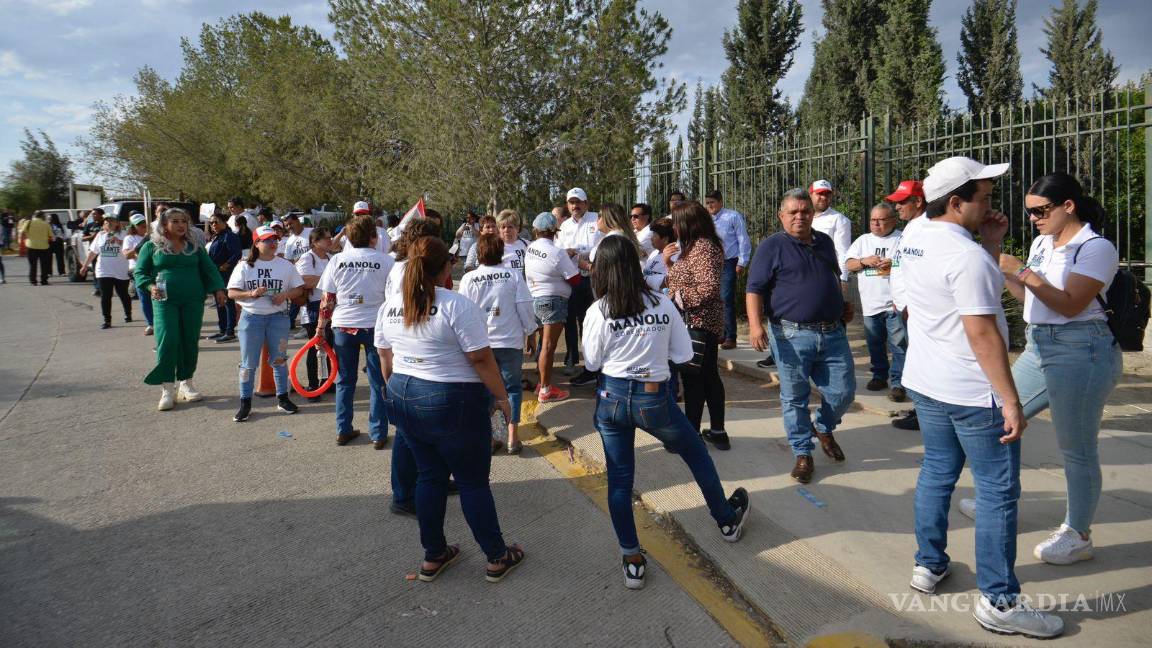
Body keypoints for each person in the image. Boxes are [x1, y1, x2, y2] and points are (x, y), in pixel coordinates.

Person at [901, 156, 1063, 638]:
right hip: (972, 392)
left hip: (928, 382)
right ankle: (999, 601)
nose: (992, 205)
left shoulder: (914, 237)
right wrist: (1011, 399)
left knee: (936, 472)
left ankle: (928, 565)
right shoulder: (965, 257)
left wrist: (990, 242)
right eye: (985, 198)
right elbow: (983, 335)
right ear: (956, 203)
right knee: (997, 494)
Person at [957, 173, 1121, 568]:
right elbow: (1027, 297)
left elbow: (1069, 304)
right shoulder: (1042, 242)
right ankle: (1000, 500)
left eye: (1040, 210)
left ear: (1068, 206)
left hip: (1083, 350)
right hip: (1040, 344)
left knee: (1076, 448)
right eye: (1029, 211)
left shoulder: (1095, 247)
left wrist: (1023, 270)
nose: (1033, 218)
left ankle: (1077, 534)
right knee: (1002, 420)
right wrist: (1005, 263)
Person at [582, 235, 750, 589]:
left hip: (611, 399)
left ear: (603, 269)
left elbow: (593, 362)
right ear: (634, 263)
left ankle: (632, 559)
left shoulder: (598, 310)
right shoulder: (661, 304)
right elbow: (684, 355)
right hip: (653, 399)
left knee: (620, 480)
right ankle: (726, 520)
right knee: (696, 453)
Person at [374, 236, 525, 584]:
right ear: (446, 268)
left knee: (429, 477)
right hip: (451, 401)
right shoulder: (456, 305)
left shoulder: (392, 305)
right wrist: (501, 398)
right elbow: (481, 358)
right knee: (473, 482)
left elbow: (386, 358)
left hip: (403, 394)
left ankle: (434, 554)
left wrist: (400, 395)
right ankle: (497, 556)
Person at [745, 189, 856, 484]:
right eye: (793, 212)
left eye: (805, 211)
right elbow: (754, 289)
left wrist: (841, 304)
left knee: (843, 392)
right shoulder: (772, 247)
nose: (799, 216)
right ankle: (803, 452)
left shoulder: (825, 242)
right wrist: (756, 326)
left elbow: (832, 276)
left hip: (833, 332)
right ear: (782, 216)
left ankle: (821, 426)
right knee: (794, 397)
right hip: (790, 334)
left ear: (812, 214)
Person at [133, 208, 228, 411]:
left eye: (184, 221)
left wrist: (219, 289)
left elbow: (209, 269)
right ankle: (167, 388)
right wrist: (150, 286)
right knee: (167, 340)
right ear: (164, 224)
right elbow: (139, 273)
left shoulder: (194, 247)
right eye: (175, 221)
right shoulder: (151, 246)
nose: (180, 225)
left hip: (193, 300)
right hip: (164, 301)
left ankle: (186, 383)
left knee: (189, 340)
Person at [315, 214, 395, 448]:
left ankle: (343, 429)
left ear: (348, 237)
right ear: (374, 237)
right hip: (375, 327)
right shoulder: (386, 261)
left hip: (343, 325)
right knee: (378, 381)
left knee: (345, 381)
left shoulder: (337, 260)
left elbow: (327, 299)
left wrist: (320, 329)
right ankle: (378, 433)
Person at [459, 234, 538, 453]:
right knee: (511, 388)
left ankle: (493, 436)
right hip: (509, 341)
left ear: (479, 253)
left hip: (480, 343)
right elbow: (524, 306)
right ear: (500, 252)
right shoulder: (513, 275)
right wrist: (530, 332)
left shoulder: (469, 279)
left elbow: (462, 313)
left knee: (486, 389)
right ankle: (512, 434)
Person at [665, 201, 730, 450]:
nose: (674, 227)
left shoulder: (702, 247)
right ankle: (717, 432)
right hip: (699, 322)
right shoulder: (697, 247)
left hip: (698, 323)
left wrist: (676, 297)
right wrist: (669, 265)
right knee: (708, 378)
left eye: (676, 222)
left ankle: (690, 436)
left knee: (695, 380)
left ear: (688, 223)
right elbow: (688, 279)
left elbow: (708, 288)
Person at [227, 225, 305, 421]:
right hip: (251, 317)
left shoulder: (285, 265)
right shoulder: (245, 265)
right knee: (248, 364)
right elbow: (231, 292)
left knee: (279, 359)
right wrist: (250, 294)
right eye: (267, 240)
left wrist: (285, 295)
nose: (273, 243)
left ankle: (283, 399)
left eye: (275, 239)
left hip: (278, 318)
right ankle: (245, 403)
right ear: (256, 243)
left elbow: (299, 289)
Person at [845, 203, 906, 401]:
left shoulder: (902, 238)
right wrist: (864, 261)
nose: (876, 223)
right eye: (873, 220)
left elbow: (915, 264)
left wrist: (894, 264)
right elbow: (849, 264)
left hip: (895, 304)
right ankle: (879, 376)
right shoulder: (863, 241)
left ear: (893, 221)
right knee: (875, 344)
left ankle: (898, 384)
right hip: (871, 305)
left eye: (881, 219)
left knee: (899, 344)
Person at [886, 179, 928, 431]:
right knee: (914, 360)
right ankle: (921, 410)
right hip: (904, 307)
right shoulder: (912, 227)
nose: (897, 207)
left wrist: (911, 302)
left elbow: (923, 271)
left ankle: (925, 414)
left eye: (902, 202)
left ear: (918, 201)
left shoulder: (925, 228)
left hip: (915, 310)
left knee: (921, 363)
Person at [524, 211, 579, 403]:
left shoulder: (530, 248)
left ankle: (542, 383)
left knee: (542, 345)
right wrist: (571, 258)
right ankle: (546, 389)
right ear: (554, 231)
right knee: (548, 346)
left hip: (534, 299)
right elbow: (574, 278)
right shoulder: (557, 252)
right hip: (553, 301)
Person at [558, 187, 602, 383]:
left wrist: (577, 251)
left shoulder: (596, 219)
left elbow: (600, 246)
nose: (575, 206)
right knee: (569, 320)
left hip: (592, 277)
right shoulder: (565, 225)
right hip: (571, 277)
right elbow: (559, 250)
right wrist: (571, 252)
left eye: (578, 202)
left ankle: (591, 362)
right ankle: (571, 358)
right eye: (571, 202)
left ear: (586, 203)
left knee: (590, 321)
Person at [702, 190, 751, 350]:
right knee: (714, 299)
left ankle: (731, 336)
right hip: (711, 263)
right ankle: (720, 333)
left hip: (729, 262)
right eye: (707, 203)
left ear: (720, 202)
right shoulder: (706, 220)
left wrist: (742, 262)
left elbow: (743, 238)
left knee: (725, 299)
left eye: (712, 202)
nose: (710, 206)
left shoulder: (733, 216)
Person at [295, 227, 335, 401]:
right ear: (315, 242)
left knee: (329, 346)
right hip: (313, 307)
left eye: (330, 237)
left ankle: (327, 381)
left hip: (331, 306)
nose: (330, 240)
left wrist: (320, 280)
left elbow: (313, 280)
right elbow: (304, 281)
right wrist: (328, 280)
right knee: (315, 346)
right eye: (326, 238)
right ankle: (313, 383)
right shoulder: (307, 258)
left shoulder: (331, 258)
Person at [79, 214, 133, 329]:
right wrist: (84, 266)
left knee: (122, 294)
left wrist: (119, 241)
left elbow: (131, 249)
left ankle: (128, 313)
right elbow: (93, 252)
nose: (108, 223)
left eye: (111, 221)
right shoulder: (100, 235)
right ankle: (107, 320)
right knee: (106, 295)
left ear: (117, 223)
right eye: (106, 221)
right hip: (103, 270)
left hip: (120, 269)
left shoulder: (124, 234)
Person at [205, 214, 243, 343]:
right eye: (211, 223)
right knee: (219, 302)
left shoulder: (230, 236)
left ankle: (230, 331)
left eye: (216, 222)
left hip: (226, 274)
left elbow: (237, 253)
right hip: (216, 274)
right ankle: (222, 330)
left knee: (228, 303)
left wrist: (226, 265)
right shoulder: (216, 236)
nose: (213, 225)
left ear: (224, 222)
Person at [809, 180, 852, 282]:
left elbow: (843, 252)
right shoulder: (802, 216)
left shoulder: (839, 219)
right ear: (810, 195)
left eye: (827, 194)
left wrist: (842, 279)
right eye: (819, 193)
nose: (824, 197)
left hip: (826, 277)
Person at [123, 214, 154, 335]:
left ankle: (159, 322)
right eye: (139, 224)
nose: (142, 226)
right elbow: (127, 255)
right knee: (145, 299)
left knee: (157, 297)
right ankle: (151, 323)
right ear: (134, 226)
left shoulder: (153, 236)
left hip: (152, 270)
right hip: (138, 270)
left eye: (144, 223)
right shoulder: (130, 238)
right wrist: (142, 246)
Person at [19, 211, 53, 286]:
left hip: (31, 246)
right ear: (42, 216)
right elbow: (51, 236)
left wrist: (26, 238)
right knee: (44, 265)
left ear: (34, 215)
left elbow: (22, 232)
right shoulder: (46, 224)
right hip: (44, 247)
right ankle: (44, 281)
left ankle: (33, 281)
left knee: (32, 265)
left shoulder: (28, 222)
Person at [643, 219, 674, 291]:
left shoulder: (673, 255)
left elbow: (670, 280)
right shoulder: (654, 253)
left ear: (665, 239)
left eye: (655, 235)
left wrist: (645, 280)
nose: (651, 238)